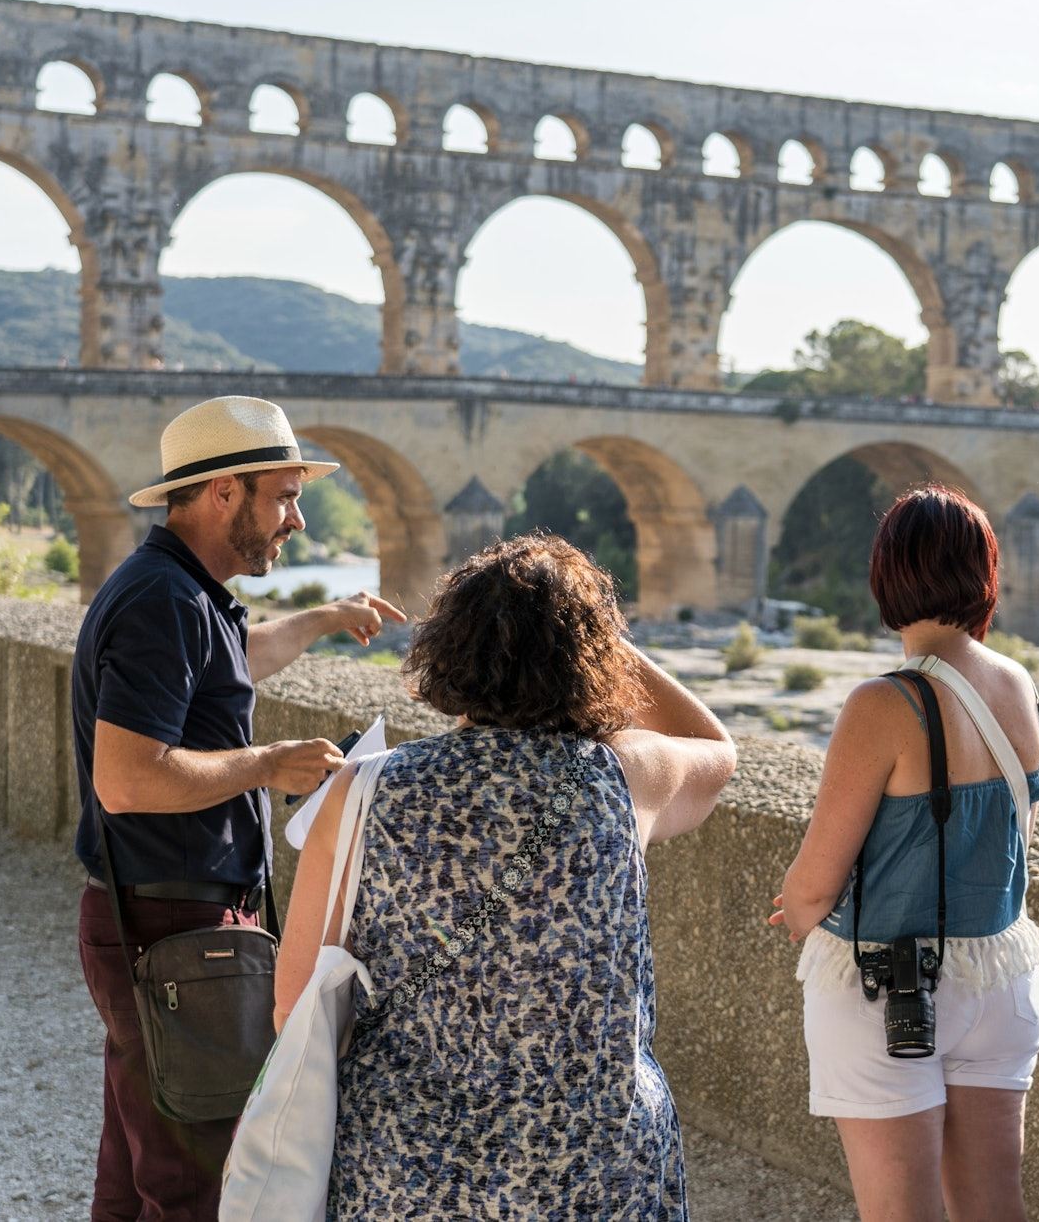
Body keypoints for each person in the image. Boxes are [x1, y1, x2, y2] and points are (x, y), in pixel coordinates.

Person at [274, 534, 737, 1220]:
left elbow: (294, 1007)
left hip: (406, 1170)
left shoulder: (363, 791)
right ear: (591, 662)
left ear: (447, 651)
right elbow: (717, 752)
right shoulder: (624, 776)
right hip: (594, 1170)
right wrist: (605, 640)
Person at [71, 395, 405, 1222]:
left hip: (162, 915)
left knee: (136, 1170)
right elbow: (128, 779)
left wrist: (325, 618)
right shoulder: (164, 604)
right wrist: (271, 764)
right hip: (173, 926)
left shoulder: (184, 592)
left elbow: (233, 661)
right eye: (284, 496)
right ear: (224, 492)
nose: (296, 518)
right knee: (198, 1180)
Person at [769, 485, 1039, 1222]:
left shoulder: (884, 704)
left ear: (886, 576)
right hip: (1001, 978)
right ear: (985, 572)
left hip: (889, 985)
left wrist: (800, 912)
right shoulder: (1019, 685)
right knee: (994, 1205)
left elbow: (814, 883)